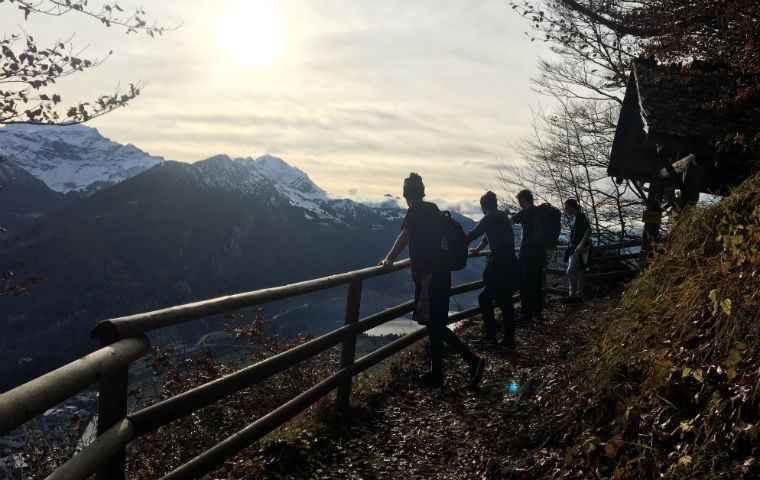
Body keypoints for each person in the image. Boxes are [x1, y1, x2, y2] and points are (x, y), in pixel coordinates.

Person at [381, 173, 485, 388]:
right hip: (441, 272)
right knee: (434, 324)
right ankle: (436, 374)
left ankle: (472, 361)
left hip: (429, 274)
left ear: (406, 194)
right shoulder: (433, 208)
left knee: (435, 325)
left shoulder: (416, 209)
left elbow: (405, 235)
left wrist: (389, 259)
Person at [466, 191, 518, 351]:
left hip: (499, 264)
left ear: (483, 207)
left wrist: (451, 247)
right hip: (509, 261)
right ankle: (495, 338)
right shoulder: (501, 216)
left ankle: (504, 341)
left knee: (503, 302)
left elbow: (474, 233)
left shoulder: (490, 217)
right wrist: (478, 249)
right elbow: (487, 236)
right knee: (492, 299)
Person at [508, 189, 545, 323]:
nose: (519, 204)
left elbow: (510, 222)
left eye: (519, 201)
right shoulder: (538, 211)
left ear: (523, 199)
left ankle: (528, 314)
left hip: (528, 253)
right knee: (536, 282)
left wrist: (505, 214)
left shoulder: (525, 212)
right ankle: (537, 313)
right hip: (540, 252)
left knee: (525, 283)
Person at [562, 199, 591, 304]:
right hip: (576, 248)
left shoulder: (580, 216)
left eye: (566, 208)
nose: (566, 210)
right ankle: (577, 297)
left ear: (571, 207)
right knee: (579, 272)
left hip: (578, 248)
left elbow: (588, 230)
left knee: (571, 271)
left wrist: (580, 245)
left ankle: (573, 296)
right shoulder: (576, 217)